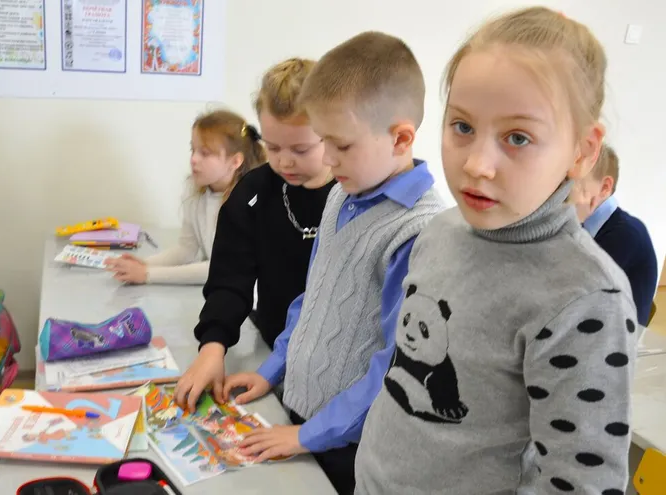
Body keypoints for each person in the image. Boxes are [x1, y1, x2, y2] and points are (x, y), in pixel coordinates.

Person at [354, 7, 638, 494]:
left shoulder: (585, 298)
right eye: (462, 127)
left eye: (518, 137)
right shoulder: (440, 231)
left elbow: (580, 481)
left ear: (582, 151)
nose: (477, 165)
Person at [221, 32, 446, 495]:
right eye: (323, 141)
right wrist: (271, 370)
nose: (326, 157)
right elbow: (314, 297)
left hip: (348, 447)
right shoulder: (343, 193)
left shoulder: (418, 231)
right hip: (299, 418)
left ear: (401, 138)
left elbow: (397, 366)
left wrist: (307, 436)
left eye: (340, 145)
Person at [173, 58, 335, 408]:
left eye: (301, 149)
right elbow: (230, 279)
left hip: (337, 365)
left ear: (333, 133)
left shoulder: (354, 194)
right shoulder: (252, 192)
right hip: (272, 350)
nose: (284, 162)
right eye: (272, 147)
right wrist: (212, 347)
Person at [106, 110, 265, 285]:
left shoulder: (250, 201)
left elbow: (223, 267)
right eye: (193, 150)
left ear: (235, 161)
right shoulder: (194, 190)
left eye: (205, 153)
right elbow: (186, 249)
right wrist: (143, 264)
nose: (194, 159)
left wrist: (147, 274)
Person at [571, 145, 658, 326]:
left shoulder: (626, 235)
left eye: (575, 184)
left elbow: (574, 296)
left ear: (605, 188)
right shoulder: (586, 227)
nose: (564, 194)